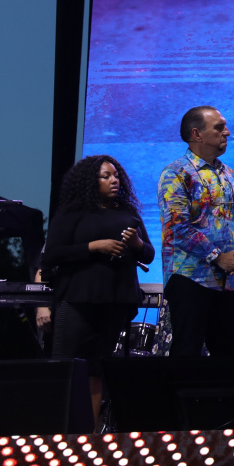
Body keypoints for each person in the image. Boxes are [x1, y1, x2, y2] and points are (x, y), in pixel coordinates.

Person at [43, 155, 154, 420]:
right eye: (106, 176)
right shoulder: (73, 212)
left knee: (97, 367)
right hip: (78, 298)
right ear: (91, 181)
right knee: (66, 362)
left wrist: (137, 243)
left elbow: (148, 254)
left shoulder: (128, 213)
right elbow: (52, 255)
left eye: (116, 176)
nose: (114, 180)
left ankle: (90, 431)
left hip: (116, 300)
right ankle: (57, 427)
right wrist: (94, 247)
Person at [158, 105, 234, 357]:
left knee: (229, 355)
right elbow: (176, 228)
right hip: (191, 279)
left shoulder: (228, 173)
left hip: (228, 282)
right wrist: (218, 257)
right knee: (187, 354)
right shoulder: (176, 173)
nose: (227, 132)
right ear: (197, 134)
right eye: (219, 127)